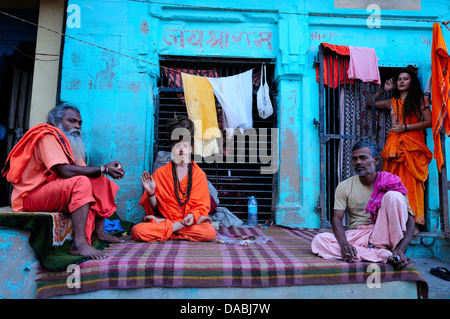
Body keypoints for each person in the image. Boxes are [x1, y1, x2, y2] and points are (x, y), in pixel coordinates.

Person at [2, 103, 125, 259]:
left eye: (79, 123)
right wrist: (104, 168)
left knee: (102, 182)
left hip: (54, 190)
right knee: (81, 182)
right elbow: (65, 171)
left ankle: (100, 232)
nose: (77, 126)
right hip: (31, 197)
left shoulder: (69, 143)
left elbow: (87, 173)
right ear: (56, 122)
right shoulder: (47, 136)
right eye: (72, 121)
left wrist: (106, 169)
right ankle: (78, 244)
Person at [311, 141, 416, 269]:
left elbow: (410, 222)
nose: (358, 162)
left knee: (393, 196)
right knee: (320, 240)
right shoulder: (344, 186)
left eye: (363, 157)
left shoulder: (391, 182)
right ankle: (385, 255)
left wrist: (401, 248)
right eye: (354, 159)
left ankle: (390, 251)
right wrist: (344, 244)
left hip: (385, 234)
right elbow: (337, 218)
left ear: (376, 160)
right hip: (358, 236)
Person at [131, 115, 216, 242]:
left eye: (185, 146)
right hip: (169, 221)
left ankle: (171, 230)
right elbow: (154, 209)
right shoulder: (161, 173)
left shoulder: (199, 174)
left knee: (209, 232)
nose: (181, 150)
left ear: (191, 148)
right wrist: (151, 192)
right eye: (177, 146)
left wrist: (192, 217)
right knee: (137, 231)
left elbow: (202, 207)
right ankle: (176, 228)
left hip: (188, 223)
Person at [368, 66, 432, 233]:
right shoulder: (393, 101)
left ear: (412, 82)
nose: (401, 81)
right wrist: (384, 90)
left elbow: (429, 122)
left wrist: (405, 127)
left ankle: (415, 223)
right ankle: (395, 222)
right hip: (394, 147)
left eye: (405, 79)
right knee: (393, 184)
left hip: (412, 147)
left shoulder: (420, 99)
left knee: (412, 184)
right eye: (399, 79)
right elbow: (369, 103)